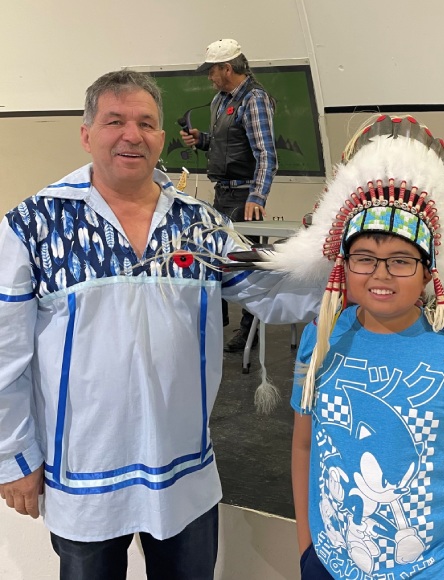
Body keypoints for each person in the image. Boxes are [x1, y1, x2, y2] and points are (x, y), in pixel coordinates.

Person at [0, 70, 319, 580]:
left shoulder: (201, 226)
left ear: (162, 138)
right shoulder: (34, 224)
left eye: (146, 123)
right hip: (82, 473)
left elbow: (273, 293)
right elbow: (4, 352)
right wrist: (12, 458)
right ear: (86, 134)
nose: (132, 134)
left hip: (182, 469)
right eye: (115, 121)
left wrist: (351, 257)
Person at [252, 115, 444, 578]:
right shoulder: (321, 339)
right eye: (365, 258)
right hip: (329, 564)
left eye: (401, 260)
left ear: (429, 273)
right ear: (343, 265)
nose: (381, 274)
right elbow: (305, 446)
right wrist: (308, 549)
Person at [181, 38, 278, 353]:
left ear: (226, 68)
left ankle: (249, 332)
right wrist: (202, 140)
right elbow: (228, 142)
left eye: (212, 70)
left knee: (245, 264)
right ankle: (218, 323)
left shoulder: (255, 99)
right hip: (221, 193)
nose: (209, 76)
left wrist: (257, 197)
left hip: (244, 196)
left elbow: (266, 154)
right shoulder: (220, 101)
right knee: (217, 257)